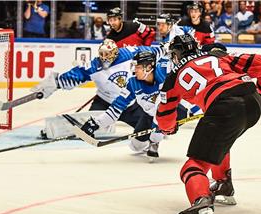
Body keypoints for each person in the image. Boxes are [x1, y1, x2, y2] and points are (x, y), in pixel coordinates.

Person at [156, 34, 261, 214]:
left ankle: (201, 200)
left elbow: (164, 117)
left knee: (193, 166)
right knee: (220, 142)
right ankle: (223, 184)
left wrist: (169, 128)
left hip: (225, 108)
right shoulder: (218, 55)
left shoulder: (173, 78)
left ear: (176, 54)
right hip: (252, 102)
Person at [31, 39, 165, 140]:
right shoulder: (94, 66)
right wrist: (56, 82)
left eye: (107, 54)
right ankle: (53, 130)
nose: (104, 57)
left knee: (153, 131)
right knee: (87, 127)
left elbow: (152, 52)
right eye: (102, 53)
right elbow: (76, 75)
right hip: (103, 103)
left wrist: (165, 48)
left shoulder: (128, 54)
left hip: (129, 105)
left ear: (114, 53)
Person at [79, 51, 186, 161]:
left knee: (175, 116)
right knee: (136, 146)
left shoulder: (164, 75)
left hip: (170, 111)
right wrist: (96, 124)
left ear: (148, 67)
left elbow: (186, 88)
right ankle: (153, 138)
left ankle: (155, 141)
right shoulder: (133, 83)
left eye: (138, 67)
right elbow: (117, 107)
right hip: (148, 114)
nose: (134, 70)